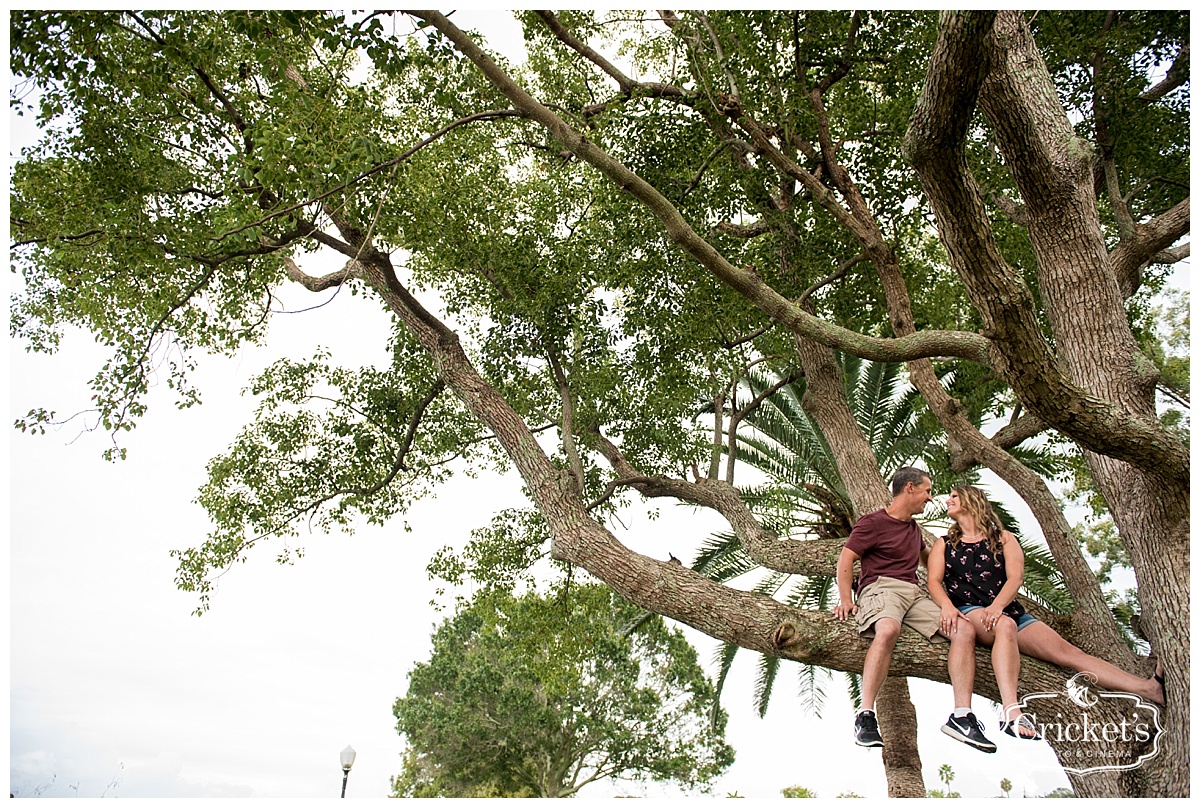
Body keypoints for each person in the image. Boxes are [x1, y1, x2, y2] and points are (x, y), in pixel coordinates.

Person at [928, 483, 1165, 739]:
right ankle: (1012, 712)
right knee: (1004, 625)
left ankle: (1148, 688)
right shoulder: (944, 544)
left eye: (954, 496)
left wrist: (997, 607)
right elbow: (933, 581)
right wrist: (948, 608)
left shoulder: (1004, 538)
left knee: (1069, 652)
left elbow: (1015, 578)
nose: (948, 500)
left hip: (1009, 612)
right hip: (971, 610)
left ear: (972, 500)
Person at [834, 467, 996, 754]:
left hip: (913, 594)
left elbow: (929, 561)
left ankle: (961, 716)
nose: (930, 498)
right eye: (927, 491)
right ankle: (865, 715)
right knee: (887, 629)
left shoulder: (914, 530)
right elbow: (846, 558)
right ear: (910, 488)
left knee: (964, 629)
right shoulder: (873, 522)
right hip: (881, 588)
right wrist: (846, 599)